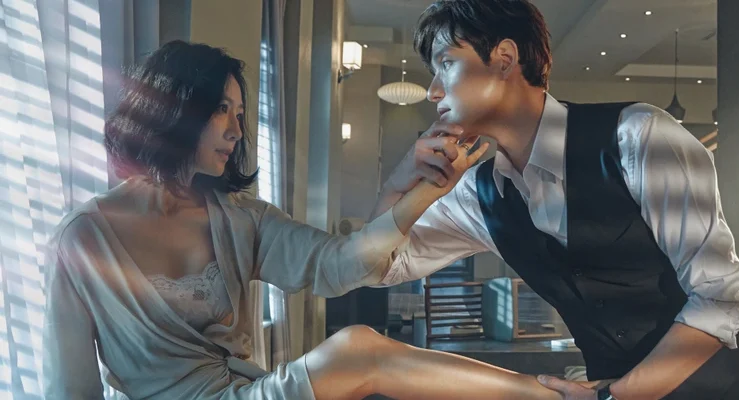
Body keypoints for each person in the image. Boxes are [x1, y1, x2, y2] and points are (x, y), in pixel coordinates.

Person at [42, 40, 581, 400]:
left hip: (245, 393)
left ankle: (553, 393)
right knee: (356, 351)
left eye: (240, 113)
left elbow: (339, 265)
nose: (236, 130)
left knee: (358, 346)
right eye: (220, 109)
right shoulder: (83, 238)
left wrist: (424, 190)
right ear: (172, 108)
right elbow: (71, 390)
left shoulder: (240, 218)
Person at [373, 1, 739, 399]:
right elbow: (384, 265)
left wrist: (614, 395)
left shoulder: (639, 137)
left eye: (446, 63)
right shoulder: (479, 192)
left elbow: (718, 300)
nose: (433, 91)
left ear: (504, 59)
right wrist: (398, 185)